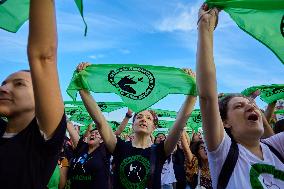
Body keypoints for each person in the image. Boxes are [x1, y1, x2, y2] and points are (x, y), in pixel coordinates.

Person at [196, 3, 284, 189]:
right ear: (225, 122)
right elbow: (207, 97)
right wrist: (205, 28)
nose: (251, 106)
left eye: (251, 104)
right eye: (238, 106)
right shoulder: (224, 152)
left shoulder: (277, 147)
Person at [76, 62, 197, 189]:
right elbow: (100, 121)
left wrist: (192, 92)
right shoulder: (119, 146)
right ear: (133, 125)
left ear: (153, 127)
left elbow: (178, 125)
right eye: (139, 117)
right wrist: (82, 87)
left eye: (148, 118)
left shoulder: (161, 150)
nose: (143, 119)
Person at [0, 0, 66, 188]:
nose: (4, 88)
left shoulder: (40, 143)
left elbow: (43, 57)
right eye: (3, 83)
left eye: (19, 84)